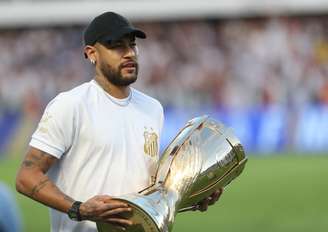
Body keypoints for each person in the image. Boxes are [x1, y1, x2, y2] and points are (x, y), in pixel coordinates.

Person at [16, 12, 222, 232]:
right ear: (91, 53)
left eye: (132, 45)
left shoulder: (152, 108)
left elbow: (147, 189)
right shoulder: (71, 105)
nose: (129, 53)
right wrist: (79, 209)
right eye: (117, 46)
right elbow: (26, 176)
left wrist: (189, 195)